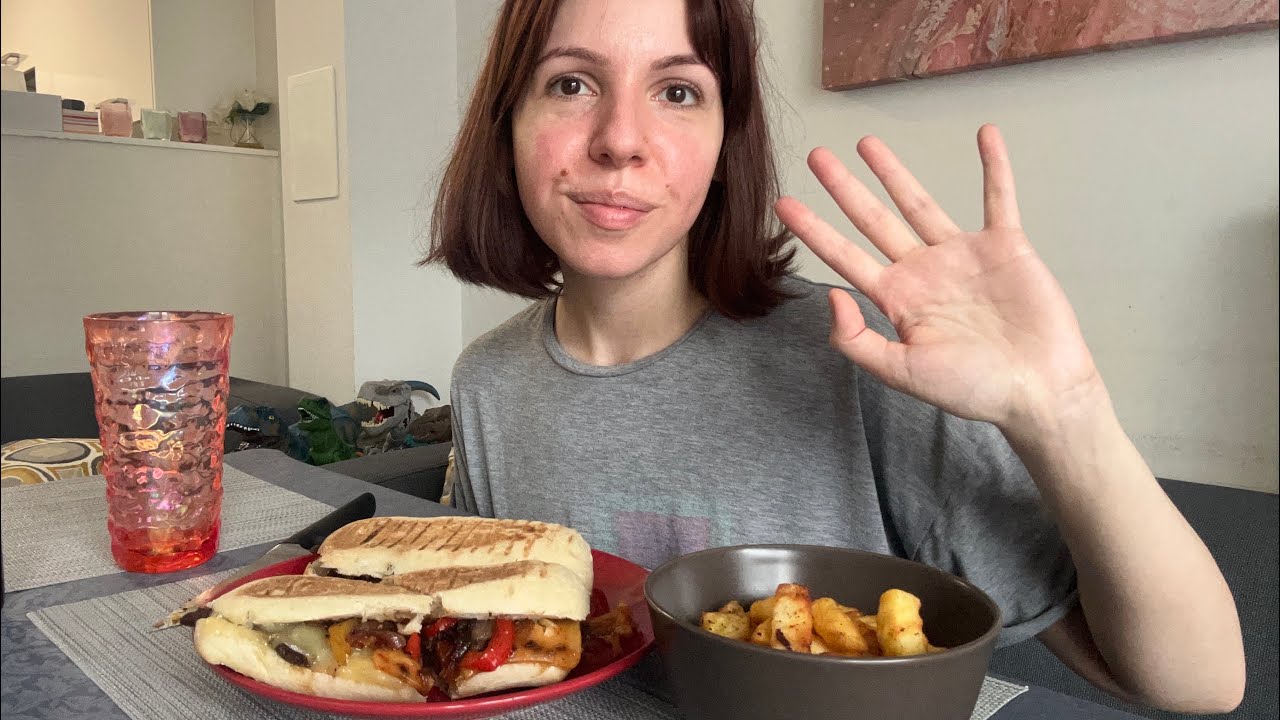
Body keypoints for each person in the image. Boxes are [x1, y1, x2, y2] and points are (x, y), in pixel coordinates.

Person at [423, 0, 1245, 713]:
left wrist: (1064, 411)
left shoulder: (864, 355)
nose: (621, 141)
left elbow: (1199, 681)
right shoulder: (488, 382)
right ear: (508, 120)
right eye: (571, 83)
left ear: (722, 146)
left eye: (678, 92)